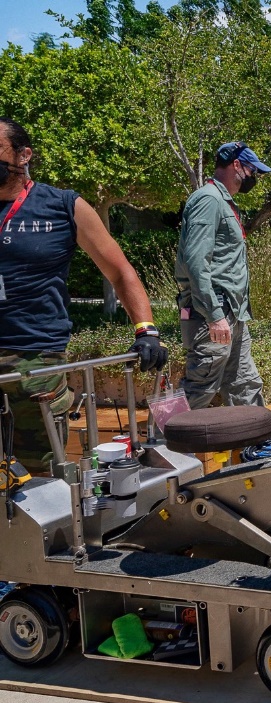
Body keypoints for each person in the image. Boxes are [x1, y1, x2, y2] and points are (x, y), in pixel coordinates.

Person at [0, 117, 167, 475]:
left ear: (23, 154)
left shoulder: (64, 206)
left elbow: (120, 271)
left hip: (35, 363)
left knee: (41, 480)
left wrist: (146, 329)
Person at [175, 141, 269, 410]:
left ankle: (254, 446)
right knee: (200, 385)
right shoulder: (208, 200)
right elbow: (195, 261)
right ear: (237, 165)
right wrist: (214, 315)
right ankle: (159, 446)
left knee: (245, 383)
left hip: (233, 313)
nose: (254, 178)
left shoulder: (223, 201)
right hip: (213, 311)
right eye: (253, 170)